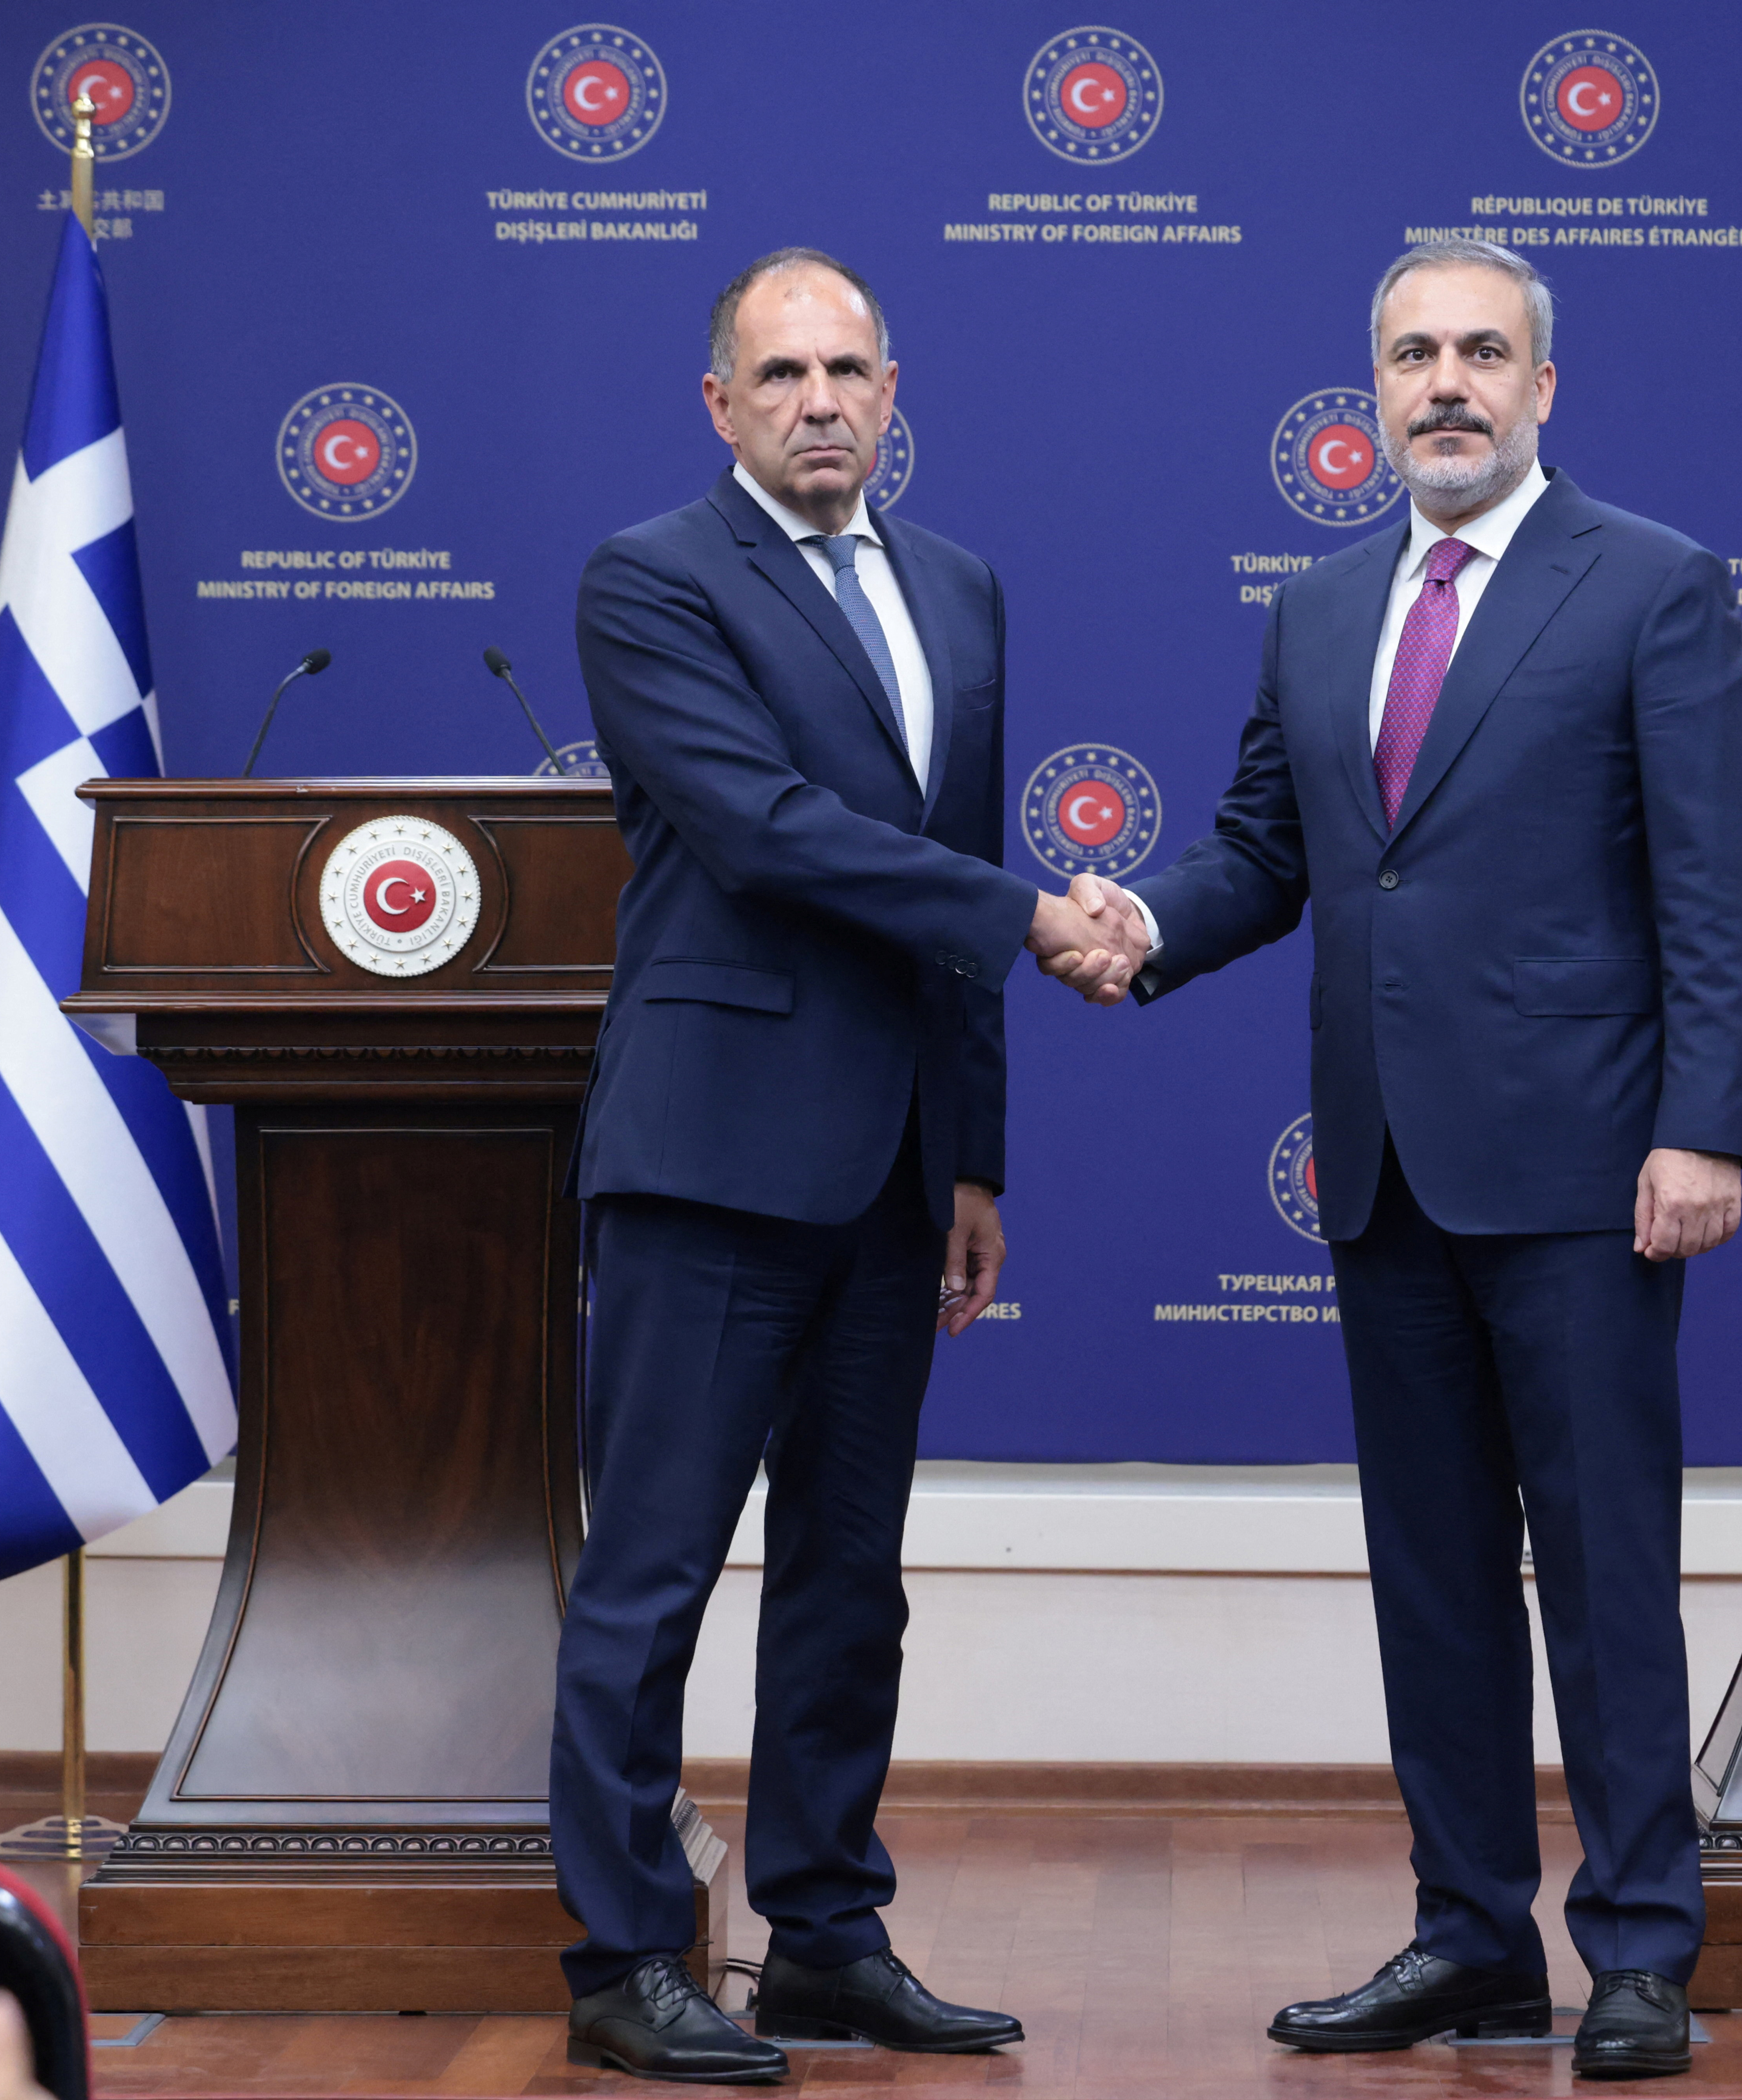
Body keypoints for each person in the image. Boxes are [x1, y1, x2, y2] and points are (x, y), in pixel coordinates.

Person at [1047, 238, 1742, 2079]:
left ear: (1544, 387)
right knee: (1433, 1579)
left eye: (1477, 352)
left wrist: (1703, 1125)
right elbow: (1266, 852)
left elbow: (1715, 887)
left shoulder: (1653, 587)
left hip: (1588, 1176)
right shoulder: (1316, 610)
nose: (1441, 383)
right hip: (1383, 1179)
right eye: (1407, 356)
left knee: (1603, 1577)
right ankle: (1469, 1940)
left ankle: (1635, 1951)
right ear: (1369, 392)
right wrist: (1145, 923)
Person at [553, 247, 1135, 2083]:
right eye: (782, 373)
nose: (820, 401)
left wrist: (971, 1154)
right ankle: (623, 1951)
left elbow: (943, 897)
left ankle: (821, 1932)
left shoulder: (955, 590)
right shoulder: (650, 579)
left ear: (894, 394)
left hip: (891, 1172)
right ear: (719, 405)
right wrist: (1037, 910)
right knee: (649, 1573)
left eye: (850, 371)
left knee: (847, 1577)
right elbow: (764, 828)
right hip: (711, 1156)